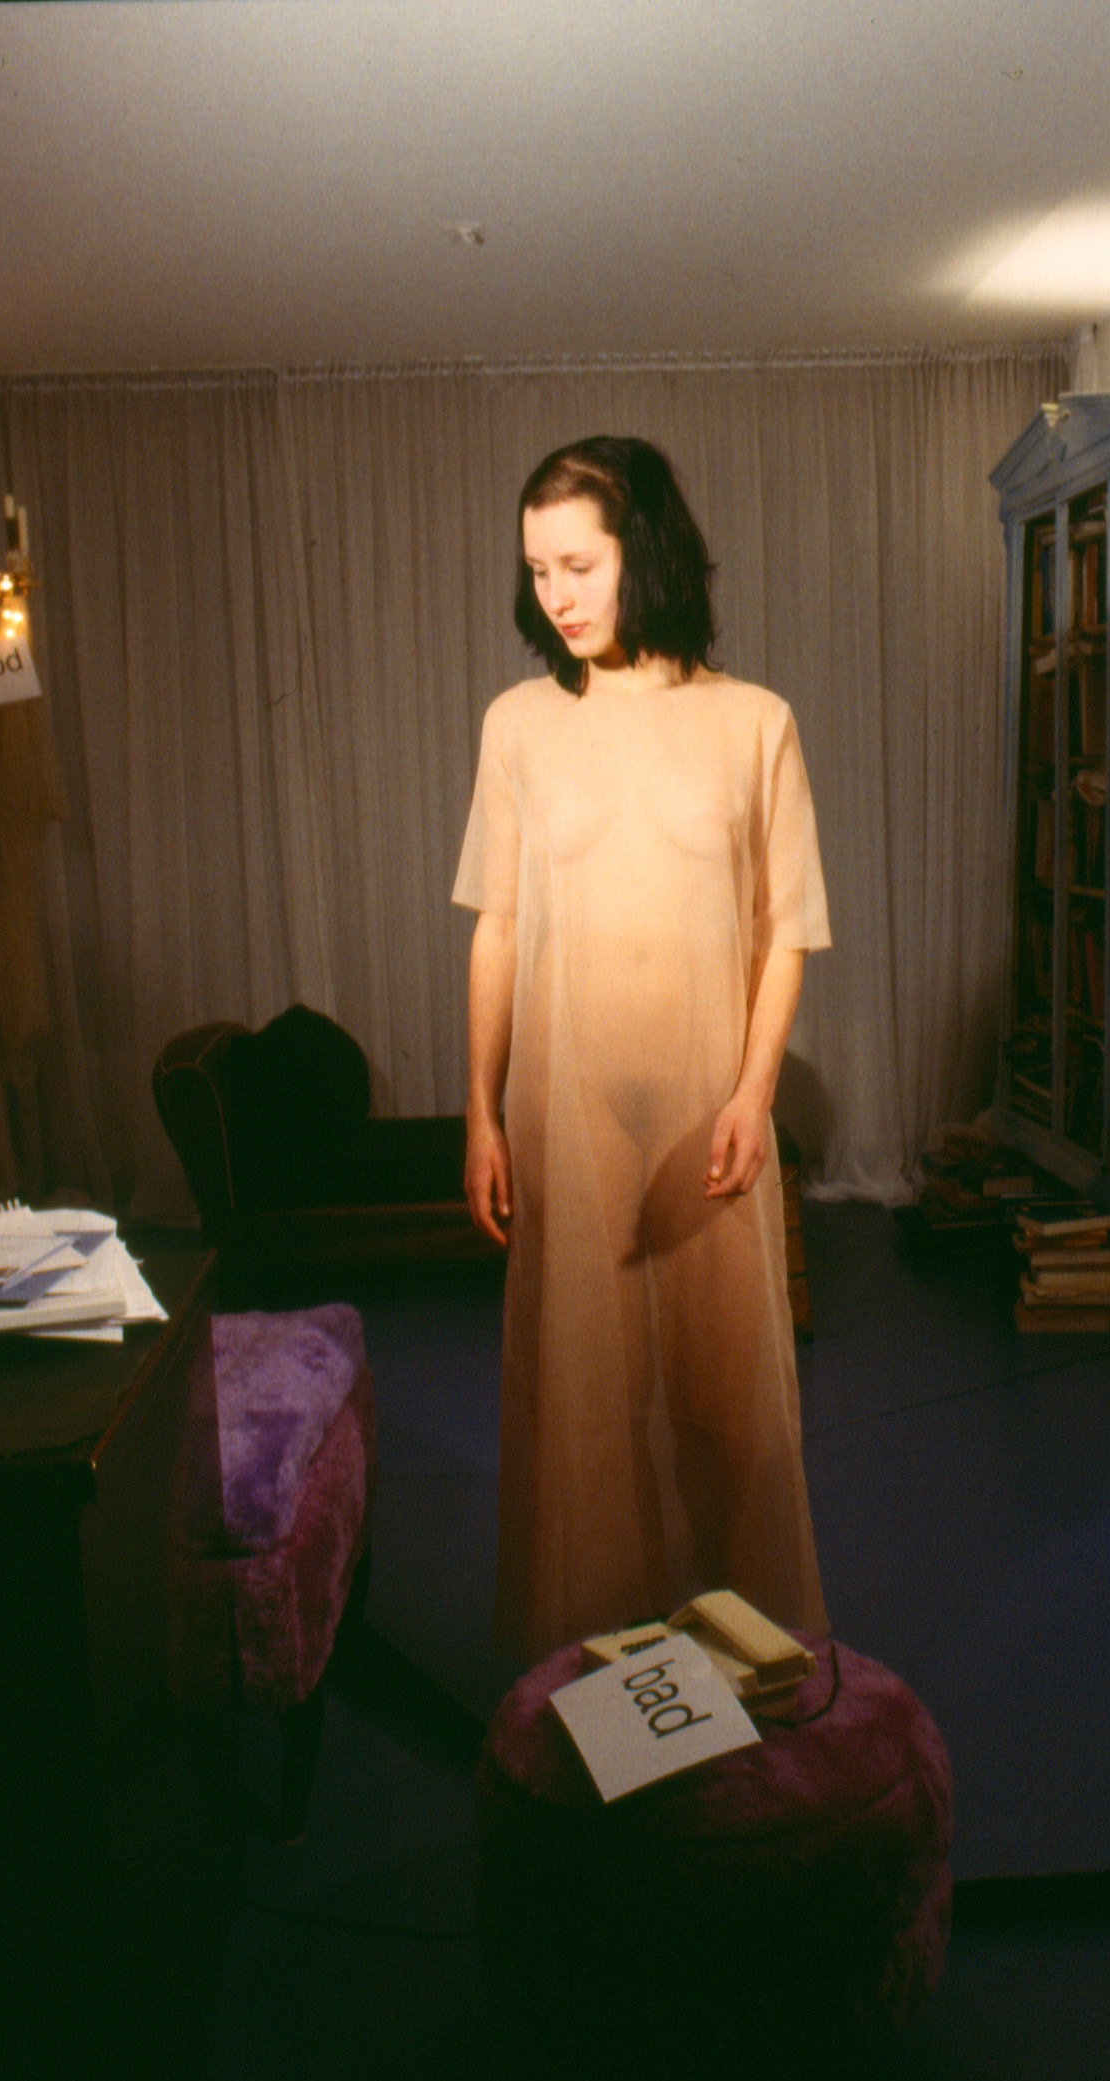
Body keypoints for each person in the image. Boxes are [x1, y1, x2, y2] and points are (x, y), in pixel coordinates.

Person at [452, 435, 831, 1662]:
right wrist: (481, 1110)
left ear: (646, 553)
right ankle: (590, 1659)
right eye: (537, 570)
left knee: (731, 1396)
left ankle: (748, 1656)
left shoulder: (754, 722)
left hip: (708, 1114)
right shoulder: (519, 724)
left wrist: (752, 1096)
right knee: (579, 1399)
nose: (556, 595)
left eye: (580, 565)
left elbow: (784, 932)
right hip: (562, 1112)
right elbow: (498, 926)